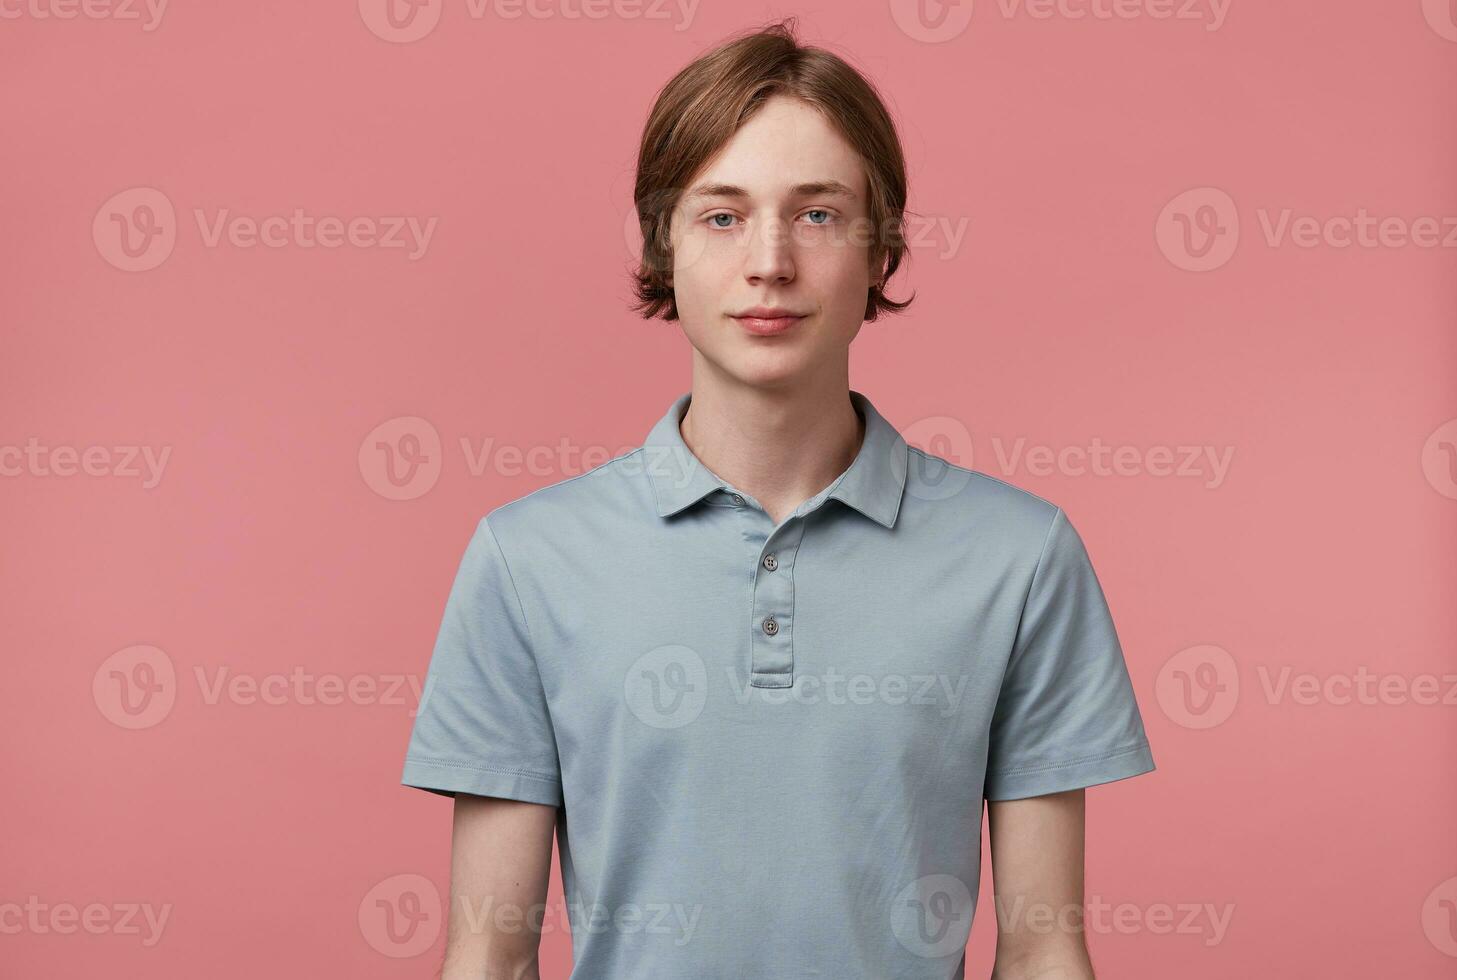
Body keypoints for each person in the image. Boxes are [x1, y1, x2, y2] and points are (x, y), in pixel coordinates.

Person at [402, 18, 1155, 980]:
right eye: (722, 215)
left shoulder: (1022, 556)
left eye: (819, 214)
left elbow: (1044, 947)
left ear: (881, 253)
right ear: (662, 246)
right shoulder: (525, 561)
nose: (770, 262)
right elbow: (491, 958)